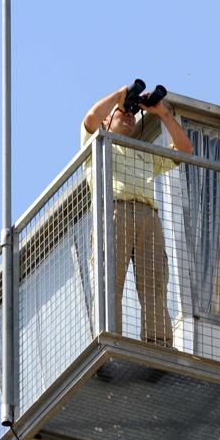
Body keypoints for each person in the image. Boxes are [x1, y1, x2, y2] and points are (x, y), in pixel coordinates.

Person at [81, 83, 193, 347]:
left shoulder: (144, 153)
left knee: (154, 284)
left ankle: (159, 344)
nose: (129, 114)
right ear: (108, 120)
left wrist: (162, 113)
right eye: (123, 112)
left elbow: (185, 151)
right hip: (114, 209)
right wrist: (120, 96)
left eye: (132, 112)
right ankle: (109, 341)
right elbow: (91, 118)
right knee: (110, 282)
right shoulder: (97, 142)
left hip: (147, 216)